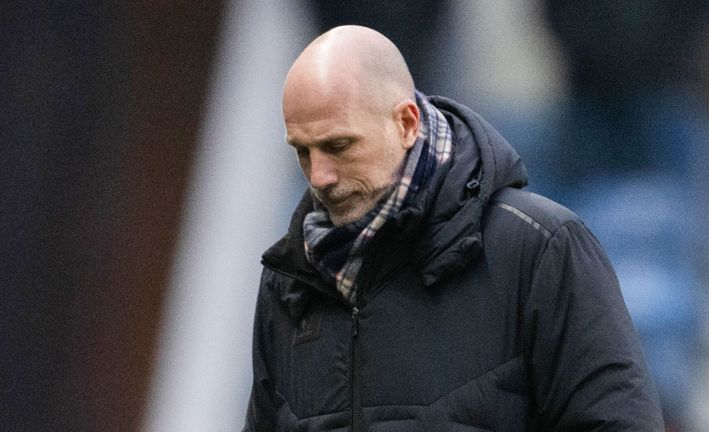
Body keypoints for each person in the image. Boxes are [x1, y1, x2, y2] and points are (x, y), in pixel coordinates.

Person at [243, 25, 663, 431]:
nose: (319, 176)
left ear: (406, 124)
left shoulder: (540, 249)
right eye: (303, 151)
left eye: (338, 146)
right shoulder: (288, 285)